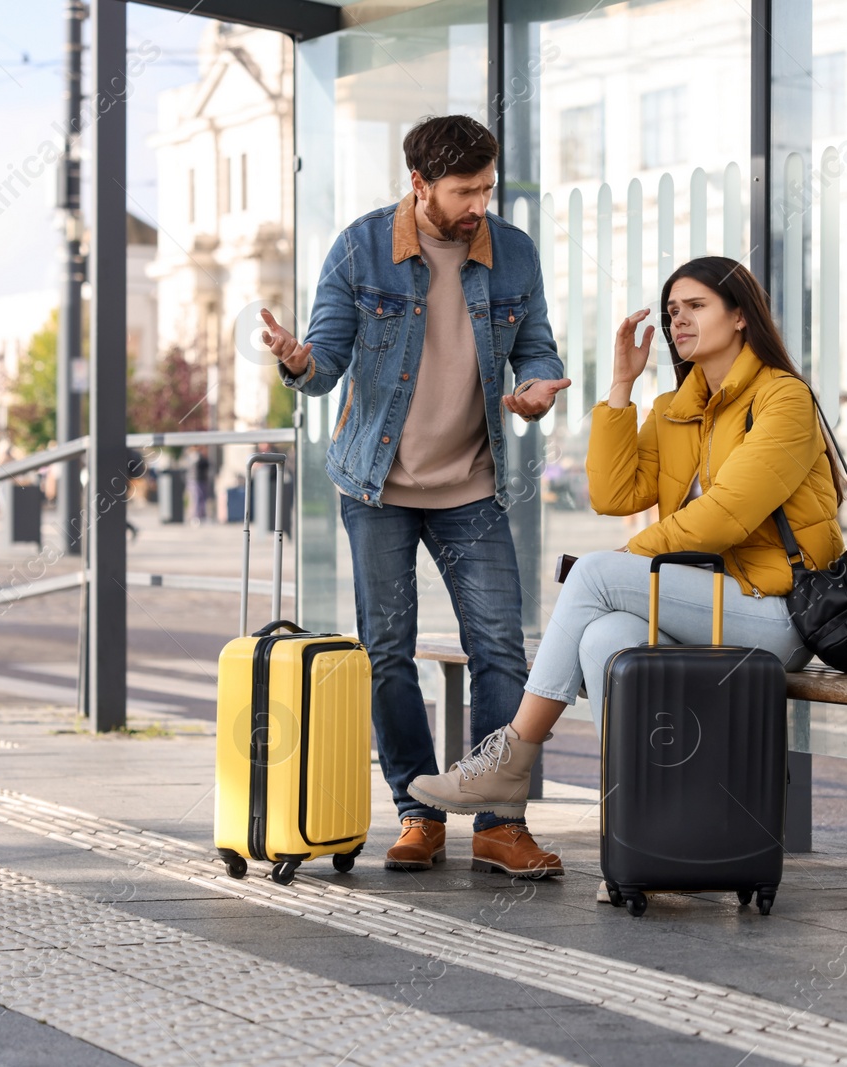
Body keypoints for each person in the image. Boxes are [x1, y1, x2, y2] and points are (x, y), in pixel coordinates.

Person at [407, 256, 847, 834]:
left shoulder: (783, 399)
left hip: (776, 615)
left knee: (593, 574)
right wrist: (621, 386)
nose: (679, 321)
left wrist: (619, 562)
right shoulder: (675, 409)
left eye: (696, 307)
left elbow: (725, 518)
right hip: (706, 606)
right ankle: (648, 822)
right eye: (672, 311)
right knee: (606, 636)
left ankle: (512, 759)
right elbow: (613, 494)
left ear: (741, 316)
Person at [265, 114, 571, 878]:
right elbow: (325, 358)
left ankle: (502, 821)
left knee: (501, 646)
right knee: (388, 649)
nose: (478, 204)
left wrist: (536, 388)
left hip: (472, 482)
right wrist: (299, 364)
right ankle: (417, 812)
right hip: (379, 483)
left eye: (487, 187)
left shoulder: (513, 253)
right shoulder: (361, 248)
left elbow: (535, 343)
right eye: (464, 190)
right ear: (420, 185)